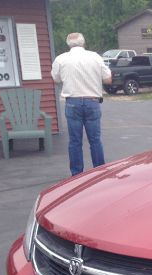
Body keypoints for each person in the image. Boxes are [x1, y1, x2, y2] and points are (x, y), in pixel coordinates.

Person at [51, 33, 112, 176]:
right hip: (92, 101)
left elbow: (55, 79)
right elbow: (108, 79)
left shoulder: (61, 59)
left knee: (74, 141)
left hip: (72, 102)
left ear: (68, 44)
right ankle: (100, 172)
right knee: (95, 140)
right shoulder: (95, 57)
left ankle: (77, 174)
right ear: (83, 43)